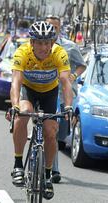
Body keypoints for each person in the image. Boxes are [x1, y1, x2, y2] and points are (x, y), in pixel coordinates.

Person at [8, 21, 73, 200]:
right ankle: (18, 164)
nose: (44, 47)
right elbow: (16, 82)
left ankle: (47, 175)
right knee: (22, 114)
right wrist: (14, 106)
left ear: (52, 42)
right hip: (29, 91)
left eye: (47, 43)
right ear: (32, 43)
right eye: (39, 43)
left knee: (50, 131)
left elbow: (66, 82)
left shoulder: (59, 53)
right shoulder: (22, 52)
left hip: (49, 94)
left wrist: (68, 107)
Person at [46, 15, 86, 183]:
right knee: (51, 131)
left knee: (60, 134)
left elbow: (81, 65)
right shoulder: (38, 46)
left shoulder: (70, 47)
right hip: (45, 93)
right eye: (49, 26)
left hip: (64, 96)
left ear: (59, 28)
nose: (52, 30)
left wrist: (73, 76)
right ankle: (53, 169)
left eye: (55, 27)